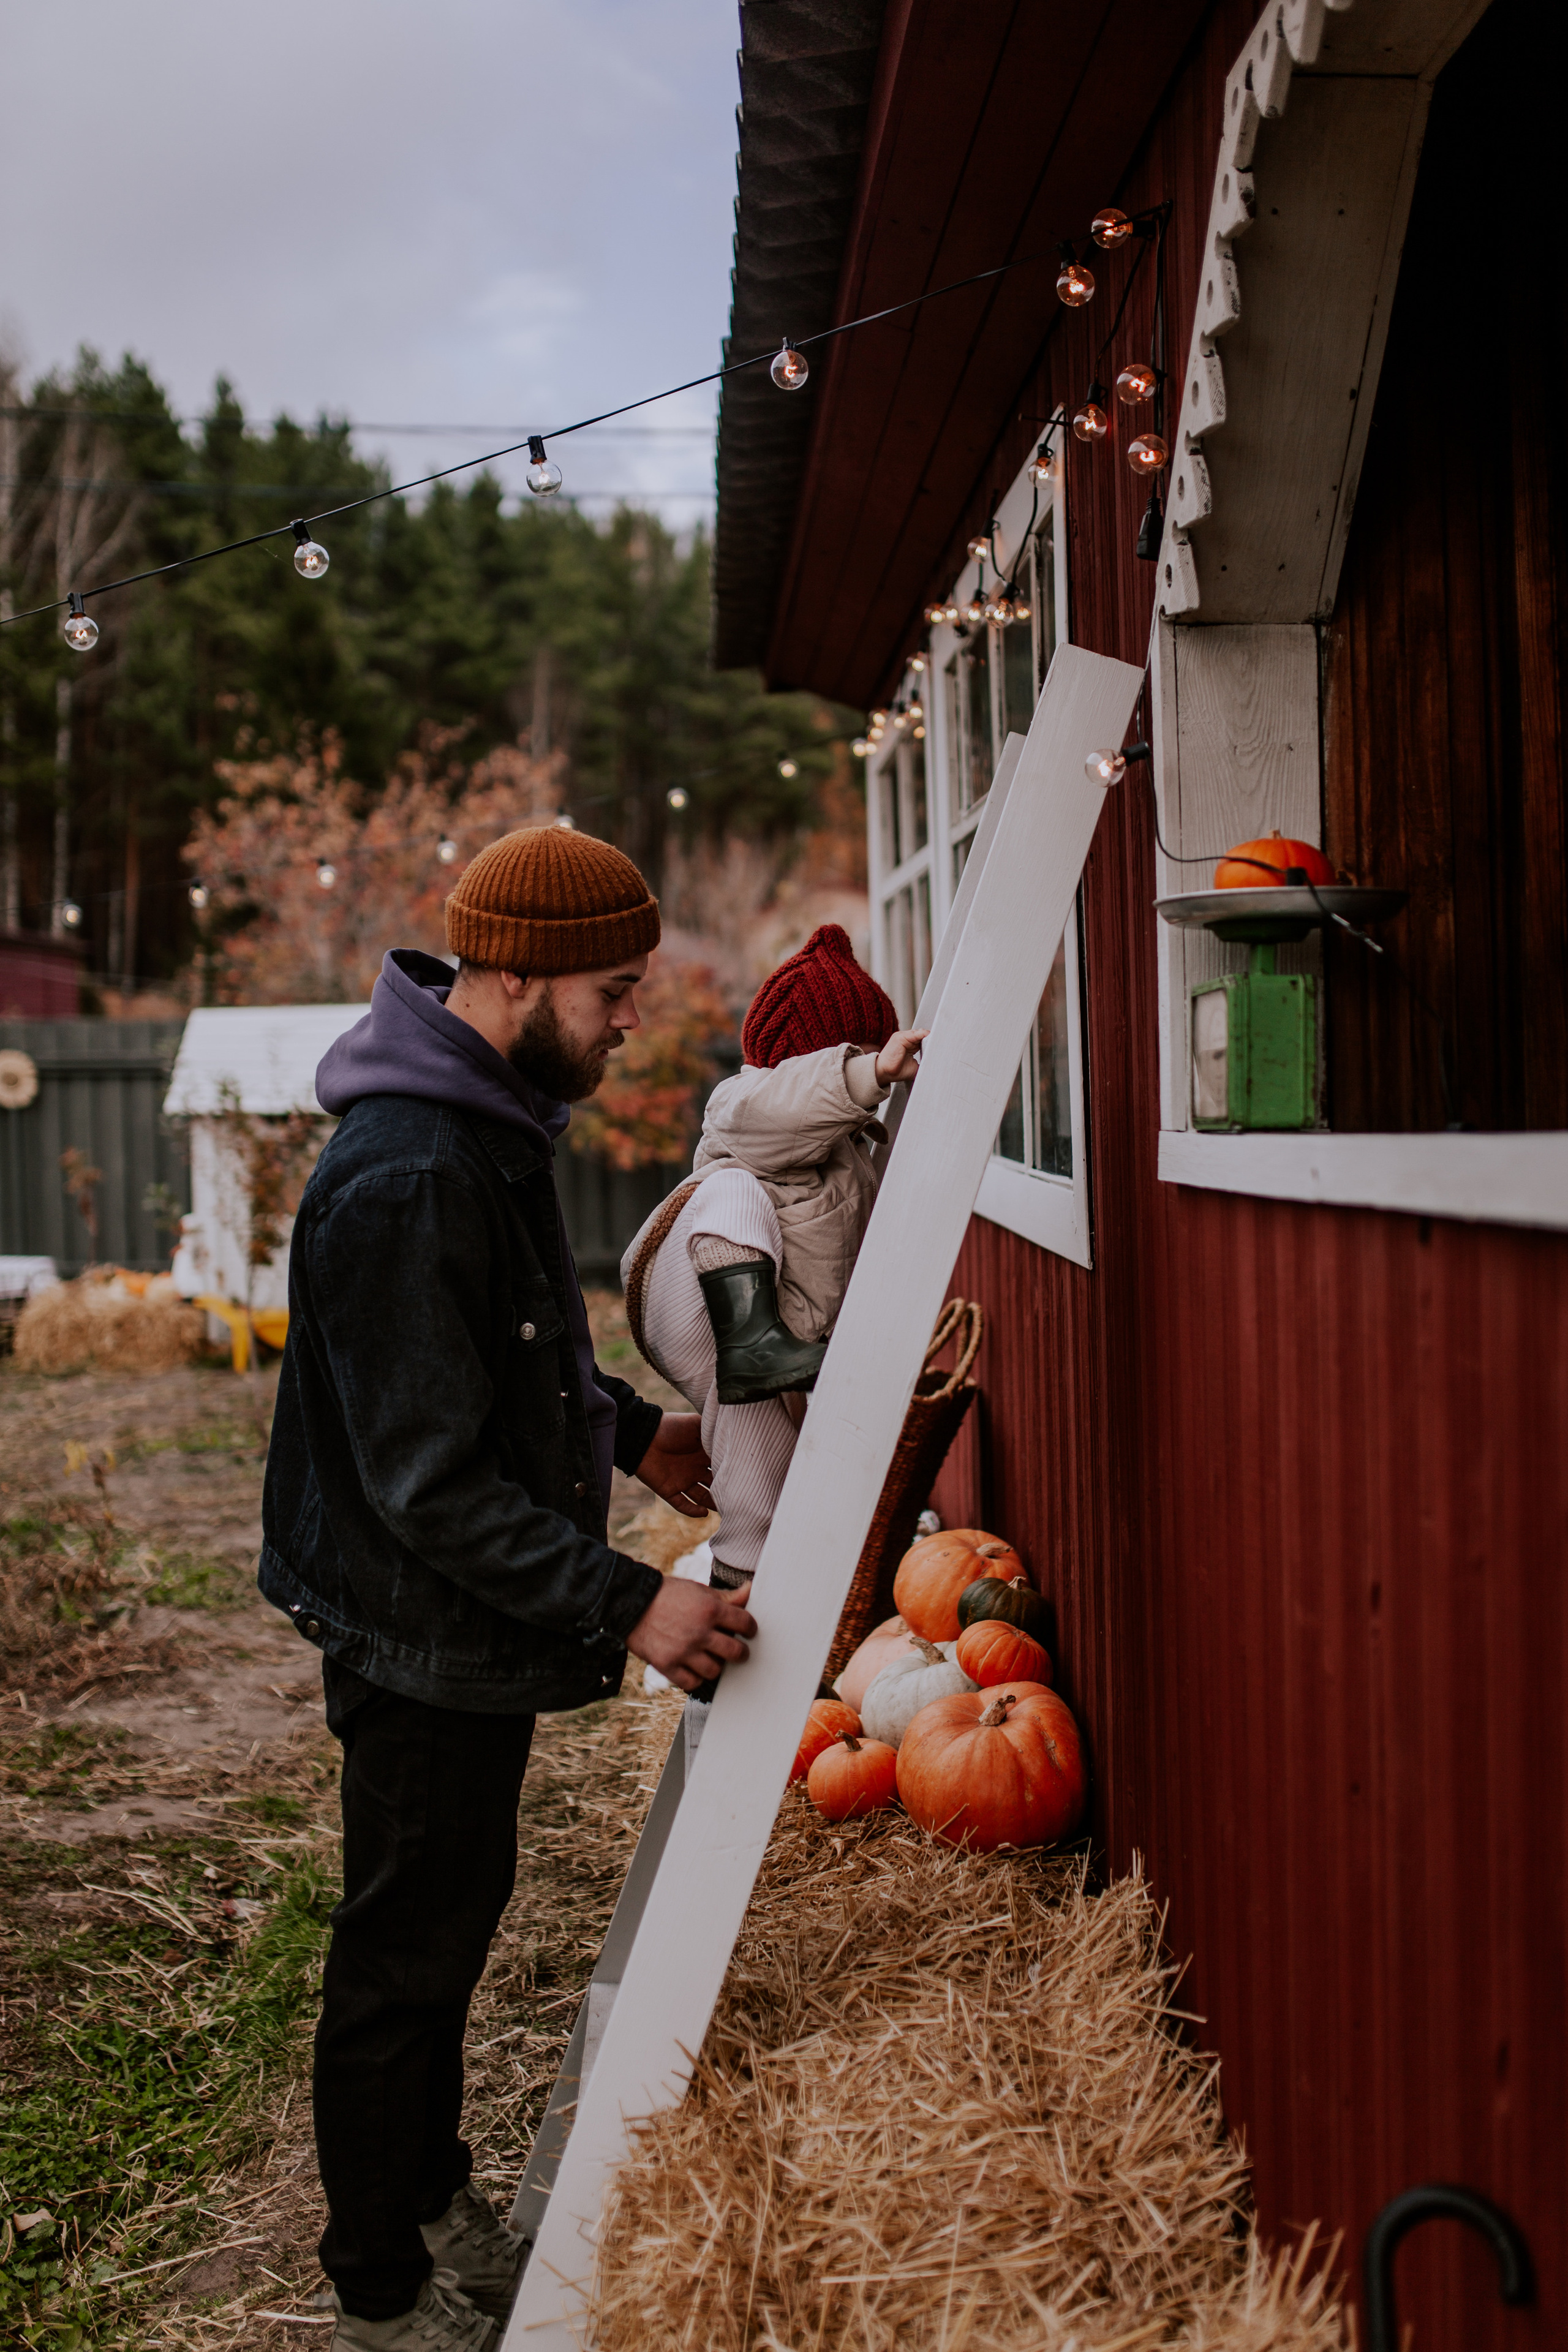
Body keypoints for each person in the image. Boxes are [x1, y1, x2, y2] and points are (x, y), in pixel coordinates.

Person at [259, 823, 757, 2352]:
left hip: (449, 1616)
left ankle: (423, 2192)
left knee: (450, 1924)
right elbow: (429, 1478)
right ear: (523, 971)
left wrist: (625, 1431)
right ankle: (377, 2279)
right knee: (404, 1950)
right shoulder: (409, 1169)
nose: (627, 1020)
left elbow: (507, 1360)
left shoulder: (487, 1117)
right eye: (613, 990)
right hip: (413, 1627)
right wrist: (629, 1601)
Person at [621, 923, 924, 1591]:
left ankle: (738, 1612)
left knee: (761, 1477)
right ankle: (757, 1346)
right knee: (731, 1189)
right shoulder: (742, 1103)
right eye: (851, 1056)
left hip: (756, 1346)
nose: (876, 1072)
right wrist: (865, 1071)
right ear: (804, 1064)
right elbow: (784, 1104)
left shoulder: (851, 1161)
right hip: (682, 1286)